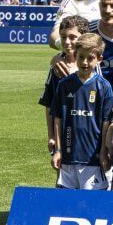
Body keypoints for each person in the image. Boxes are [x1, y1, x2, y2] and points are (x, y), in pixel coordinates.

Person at [49, 33, 113, 190]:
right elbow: (58, 119)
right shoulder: (64, 85)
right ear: (75, 56)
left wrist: (104, 153)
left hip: (93, 159)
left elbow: (106, 122)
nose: (84, 62)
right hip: (68, 157)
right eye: (81, 57)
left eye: (90, 58)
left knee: (92, 205)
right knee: (65, 203)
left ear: (99, 59)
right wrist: (58, 150)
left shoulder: (104, 87)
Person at [39, 16, 89, 156]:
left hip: (88, 132)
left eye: (73, 37)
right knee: (61, 174)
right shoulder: (56, 67)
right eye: (63, 37)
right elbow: (49, 104)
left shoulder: (93, 64)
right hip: (61, 131)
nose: (67, 42)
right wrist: (51, 136)